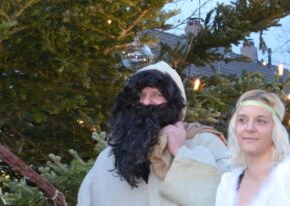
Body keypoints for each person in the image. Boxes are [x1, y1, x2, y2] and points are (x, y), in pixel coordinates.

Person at [78, 61, 229, 206]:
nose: (145, 102)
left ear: (174, 102)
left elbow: (227, 196)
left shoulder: (204, 141)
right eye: (140, 95)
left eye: (156, 94)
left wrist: (181, 152)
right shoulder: (111, 155)